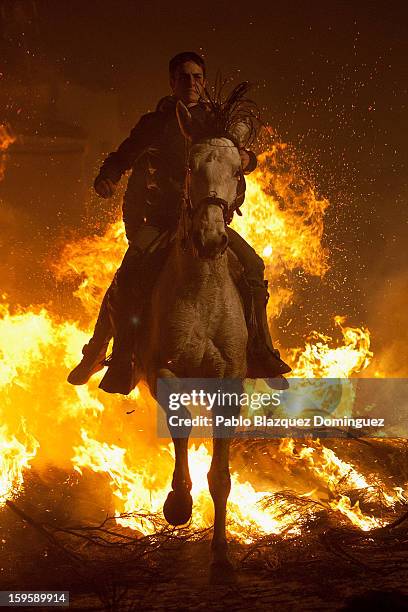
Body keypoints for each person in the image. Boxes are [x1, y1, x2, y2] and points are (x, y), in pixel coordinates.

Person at [68, 51, 291, 394]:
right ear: (172, 83)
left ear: (203, 81)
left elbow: (237, 156)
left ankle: (261, 350)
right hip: (161, 221)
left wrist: (248, 158)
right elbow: (124, 154)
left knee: (252, 265)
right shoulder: (154, 124)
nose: (191, 83)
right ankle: (116, 355)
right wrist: (108, 176)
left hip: (205, 218)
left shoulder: (217, 122)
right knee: (128, 275)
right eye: (184, 77)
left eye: (197, 76)